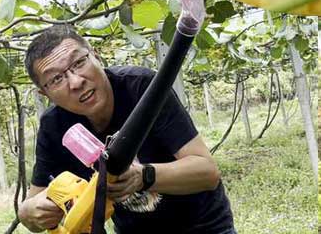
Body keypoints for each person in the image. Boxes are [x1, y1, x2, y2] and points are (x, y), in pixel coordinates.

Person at [18, 25, 236, 234]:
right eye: (56, 79)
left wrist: (143, 176)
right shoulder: (55, 126)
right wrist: (29, 212)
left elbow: (208, 173)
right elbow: (33, 205)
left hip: (204, 227)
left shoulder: (143, 89)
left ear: (96, 56)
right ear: (45, 95)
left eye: (78, 63)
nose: (75, 82)